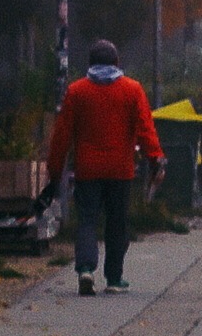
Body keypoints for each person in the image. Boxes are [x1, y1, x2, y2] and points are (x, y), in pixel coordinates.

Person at [44, 39, 164, 295]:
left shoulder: (77, 91)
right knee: (117, 222)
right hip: (120, 170)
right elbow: (145, 129)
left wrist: (55, 170)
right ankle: (113, 278)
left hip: (87, 170)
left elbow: (61, 136)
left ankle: (86, 269)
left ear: (90, 62)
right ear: (116, 62)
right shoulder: (132, 90)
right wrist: (155, 158)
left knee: (87, 220)